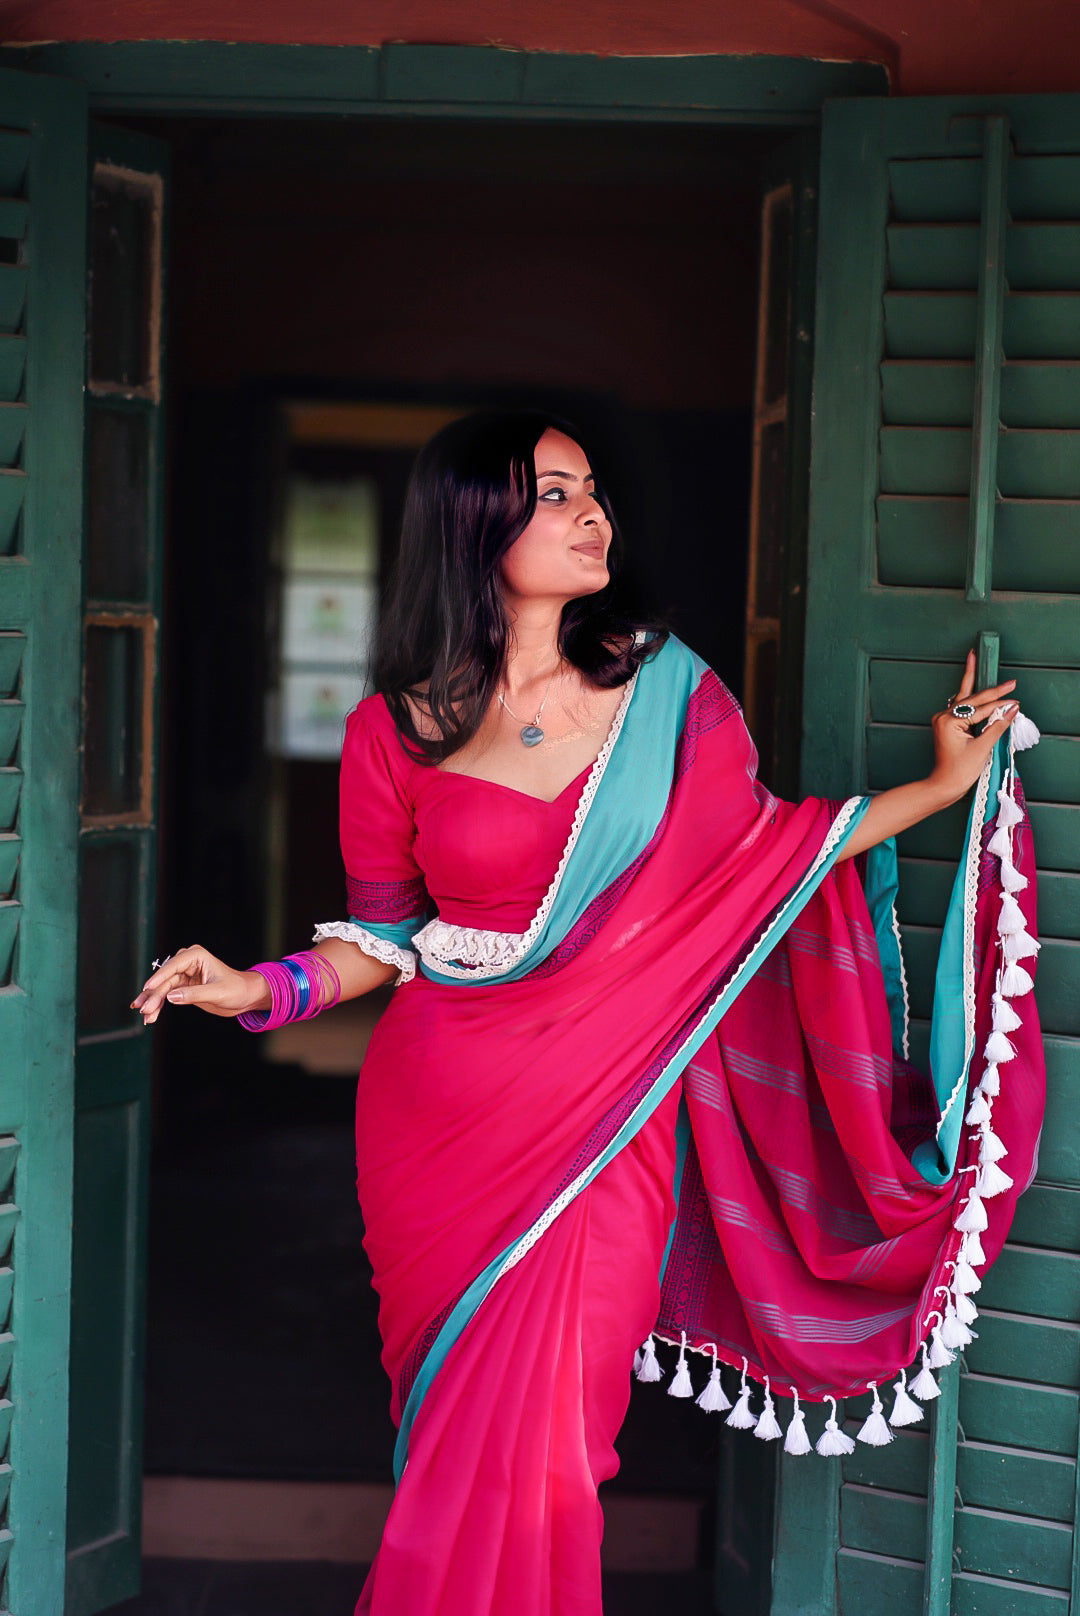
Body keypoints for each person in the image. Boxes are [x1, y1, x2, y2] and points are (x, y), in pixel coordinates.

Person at [134, 411, 1045, 1616]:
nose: (593, 514)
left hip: (607, 1123)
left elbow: (769, 861)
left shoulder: (671, 698)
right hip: (438, 1129)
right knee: (452, 1443)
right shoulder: (393, 731)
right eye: (556, 493)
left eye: (593, 489)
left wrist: (936, 786)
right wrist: (257, 987)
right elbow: (380, 941)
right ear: (476, 522)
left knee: (560, 1446)